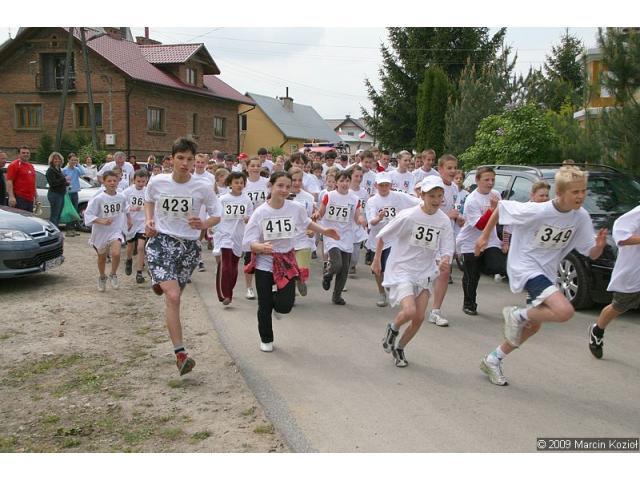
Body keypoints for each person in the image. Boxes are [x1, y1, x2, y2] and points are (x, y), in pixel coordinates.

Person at [475, 166, 608, 386]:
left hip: (547, 271)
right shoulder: (539, 210)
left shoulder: (581, 217)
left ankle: (493, 359)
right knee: (565, 311)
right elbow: (501, 207)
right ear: (560, 193)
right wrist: (484, 237)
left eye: (583, 191)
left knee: (533, 326)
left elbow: (590, 253)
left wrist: (599, 247)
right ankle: (517, 314)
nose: (581, 196)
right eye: (575, 192)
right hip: (525, 265)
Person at [144, 137, 221, 376]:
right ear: (172, 159)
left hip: (188, 247)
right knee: (174, 296)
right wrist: (149, 219)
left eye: (189, 159)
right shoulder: (158, 182)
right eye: (180, 158)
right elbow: (148, 200)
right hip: (161, 242)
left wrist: (204, 223)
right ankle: (181, 354)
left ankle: (160, 281)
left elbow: (217, 214)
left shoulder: (202, 187)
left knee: (173, 295)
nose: (185, 163)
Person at [242, 171, 339, 352]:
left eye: (287, 186)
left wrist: (324, 231)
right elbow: (248, 241)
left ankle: (277, 305)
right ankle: (266, 339)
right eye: (280, 185)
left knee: (285, 305)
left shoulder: (296, 208)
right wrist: (259, 246)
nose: (284, 190)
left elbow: (307, 223)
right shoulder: (260, 212)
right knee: (264, 305)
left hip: (286, 260)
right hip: (265, 262)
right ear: (271, 186)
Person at [375, 176, 454, 367]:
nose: (436, 200)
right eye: (432, 196)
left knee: (419, 318)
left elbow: (447, 247)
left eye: (439, 196)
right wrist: (377, 260)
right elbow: (383, 236)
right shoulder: (409, 216)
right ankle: (393, 328)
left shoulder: (443, 220)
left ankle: (400, 348)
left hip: (425, 272)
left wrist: (445, 259)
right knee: (409, 311)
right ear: (422, 195)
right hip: (403, 269)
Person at [588, 205, 640, 359]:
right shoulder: (637, 213)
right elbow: (621, 237)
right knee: (619, 306)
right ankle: (597, 330)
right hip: (632, 272)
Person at [455, 167, 506, 316]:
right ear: (477, 180)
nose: (490, 183)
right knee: (472, 276)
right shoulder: (472, 200)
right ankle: (469, 304)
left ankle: (479, 266)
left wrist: (505, 240)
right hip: (471, 241)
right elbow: (480, 225)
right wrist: (491, 210)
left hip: (490, 239)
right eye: (486, 180)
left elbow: (502, 217)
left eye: (492, 180)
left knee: (497, 266)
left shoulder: (496, 195)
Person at [366, 172, 421, 307]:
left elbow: (418, 202)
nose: (384, 188)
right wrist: (378, 218)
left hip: (394, 238)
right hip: (377, 239)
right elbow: (371, 221)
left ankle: (392, 285)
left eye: (386, 185)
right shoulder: (372, 201)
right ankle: (382, 293)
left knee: (391, 265)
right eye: (381, 185)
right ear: (376, 185)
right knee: (378, 270)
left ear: (390, 185)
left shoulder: (398, 196)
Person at [317, 170, 367, 305]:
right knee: (337, 264)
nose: (344, 183)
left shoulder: (354, 199)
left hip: (347, 235)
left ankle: (337, 296)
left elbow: (357, 216)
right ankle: (328, 274)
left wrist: (361, 220)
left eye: (347, 181)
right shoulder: (329, 196)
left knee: (344, 269)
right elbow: (321, 212)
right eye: (341, 181)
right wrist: (316, 215)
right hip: (331, 234)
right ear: (336, 183)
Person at [427, 154, 463, 327]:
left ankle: (435, 311)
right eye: (449, 168)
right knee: (424, 271)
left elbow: (453, 209)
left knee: (445, 270)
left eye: (455, 167)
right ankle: (413, 302)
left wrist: (458, 218)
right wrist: (448, 215)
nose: (453, 171)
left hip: (446, 234)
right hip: (430, 233)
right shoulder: (433, 185)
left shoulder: (455, 188)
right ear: (440, 169)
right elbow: (427, 209)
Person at [84, 170, 132, 292]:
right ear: (104, 182)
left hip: (115, 230)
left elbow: (126, 209)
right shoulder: (98, 198)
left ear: (118, 182)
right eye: (109, 181)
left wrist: (129, 220)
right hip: (100, 232)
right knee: (102, 258)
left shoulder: (121, 196)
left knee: (116, 253)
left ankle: (113, 274)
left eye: (114, 180)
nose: (112, 183)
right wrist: (101, 221)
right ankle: (102, 276)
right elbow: (88, 214)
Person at [214, 171, 253, 305]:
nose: (239, 185)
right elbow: (215, 214)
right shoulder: (223, 199)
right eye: (236, 182)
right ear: (230, 183)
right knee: (226, 265)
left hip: (239, 235)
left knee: (234, 266)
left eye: (242, 183)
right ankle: (226, 295)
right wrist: (213, 228)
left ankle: (229, 289)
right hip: (225, 234)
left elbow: (251, 216)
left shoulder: (246, 200)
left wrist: (248, 218)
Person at [243, 157, 271, 299]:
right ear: (247, 167)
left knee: (268, 253)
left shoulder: (267, 183)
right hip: (249, 224)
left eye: (258, 165)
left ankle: (271, 284)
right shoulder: (243, 183)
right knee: (249, 256)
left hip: (266, 223)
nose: (255, 168)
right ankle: (249, 287)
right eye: (252, 166)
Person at [288, 167, 316, 297]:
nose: (297, 183)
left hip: (303, 238)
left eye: (300, 180)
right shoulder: (282, 196)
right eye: (294, 180)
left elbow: (311, 216)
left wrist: (312, 229)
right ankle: (291, 292)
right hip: (287, 238)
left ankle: (300, 280)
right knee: (289, 269)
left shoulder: (308, 197)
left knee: (301, 267)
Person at [123, 169, 149, 283]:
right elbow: (122, 205)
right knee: (130, 246)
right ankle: (129, 260)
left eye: (143, 181)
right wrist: (131, 209)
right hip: (131, 222)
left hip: (143, 222)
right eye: (138, 181)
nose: (141, 184)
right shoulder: (127, 192)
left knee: (141, 247)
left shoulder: (147, 191)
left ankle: (139, 273)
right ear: (134, 180)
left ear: (146, 181)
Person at [6, 145, 36, 212]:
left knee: (29, 218)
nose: (26, 154)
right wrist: (11, 196)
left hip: (30, 199)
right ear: (19, 154)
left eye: (27, 153)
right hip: (19, 198)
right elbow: (9, 181)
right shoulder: (13, 165)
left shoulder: (31, 166)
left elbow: (33, 183)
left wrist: (36, 197)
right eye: (23, 153)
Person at [62, 153, 86, 236]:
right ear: (68, 160)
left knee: (74, 211)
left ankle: (73, 228)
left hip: (75, 192)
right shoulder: (64, 170)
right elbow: (62, 180)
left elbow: (83, 172)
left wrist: (78, 163)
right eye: (72, 160)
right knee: (69, 211)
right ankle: (68, 229)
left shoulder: (76, 169)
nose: (73, 162)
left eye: (75, 160)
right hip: (68, 193)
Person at [45, 152, 69, 228]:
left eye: (59, 159)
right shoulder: (50, 170)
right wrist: (64, 179)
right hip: (55, 194)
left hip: (61, 194)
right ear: (51, 160)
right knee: (54, 215)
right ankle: (54, 230)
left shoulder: (58, 169)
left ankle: (56, 229)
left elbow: (60, 182)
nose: (57, 160)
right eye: (55, 159)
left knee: (58, 214)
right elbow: (53, 183)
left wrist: (66, 183)